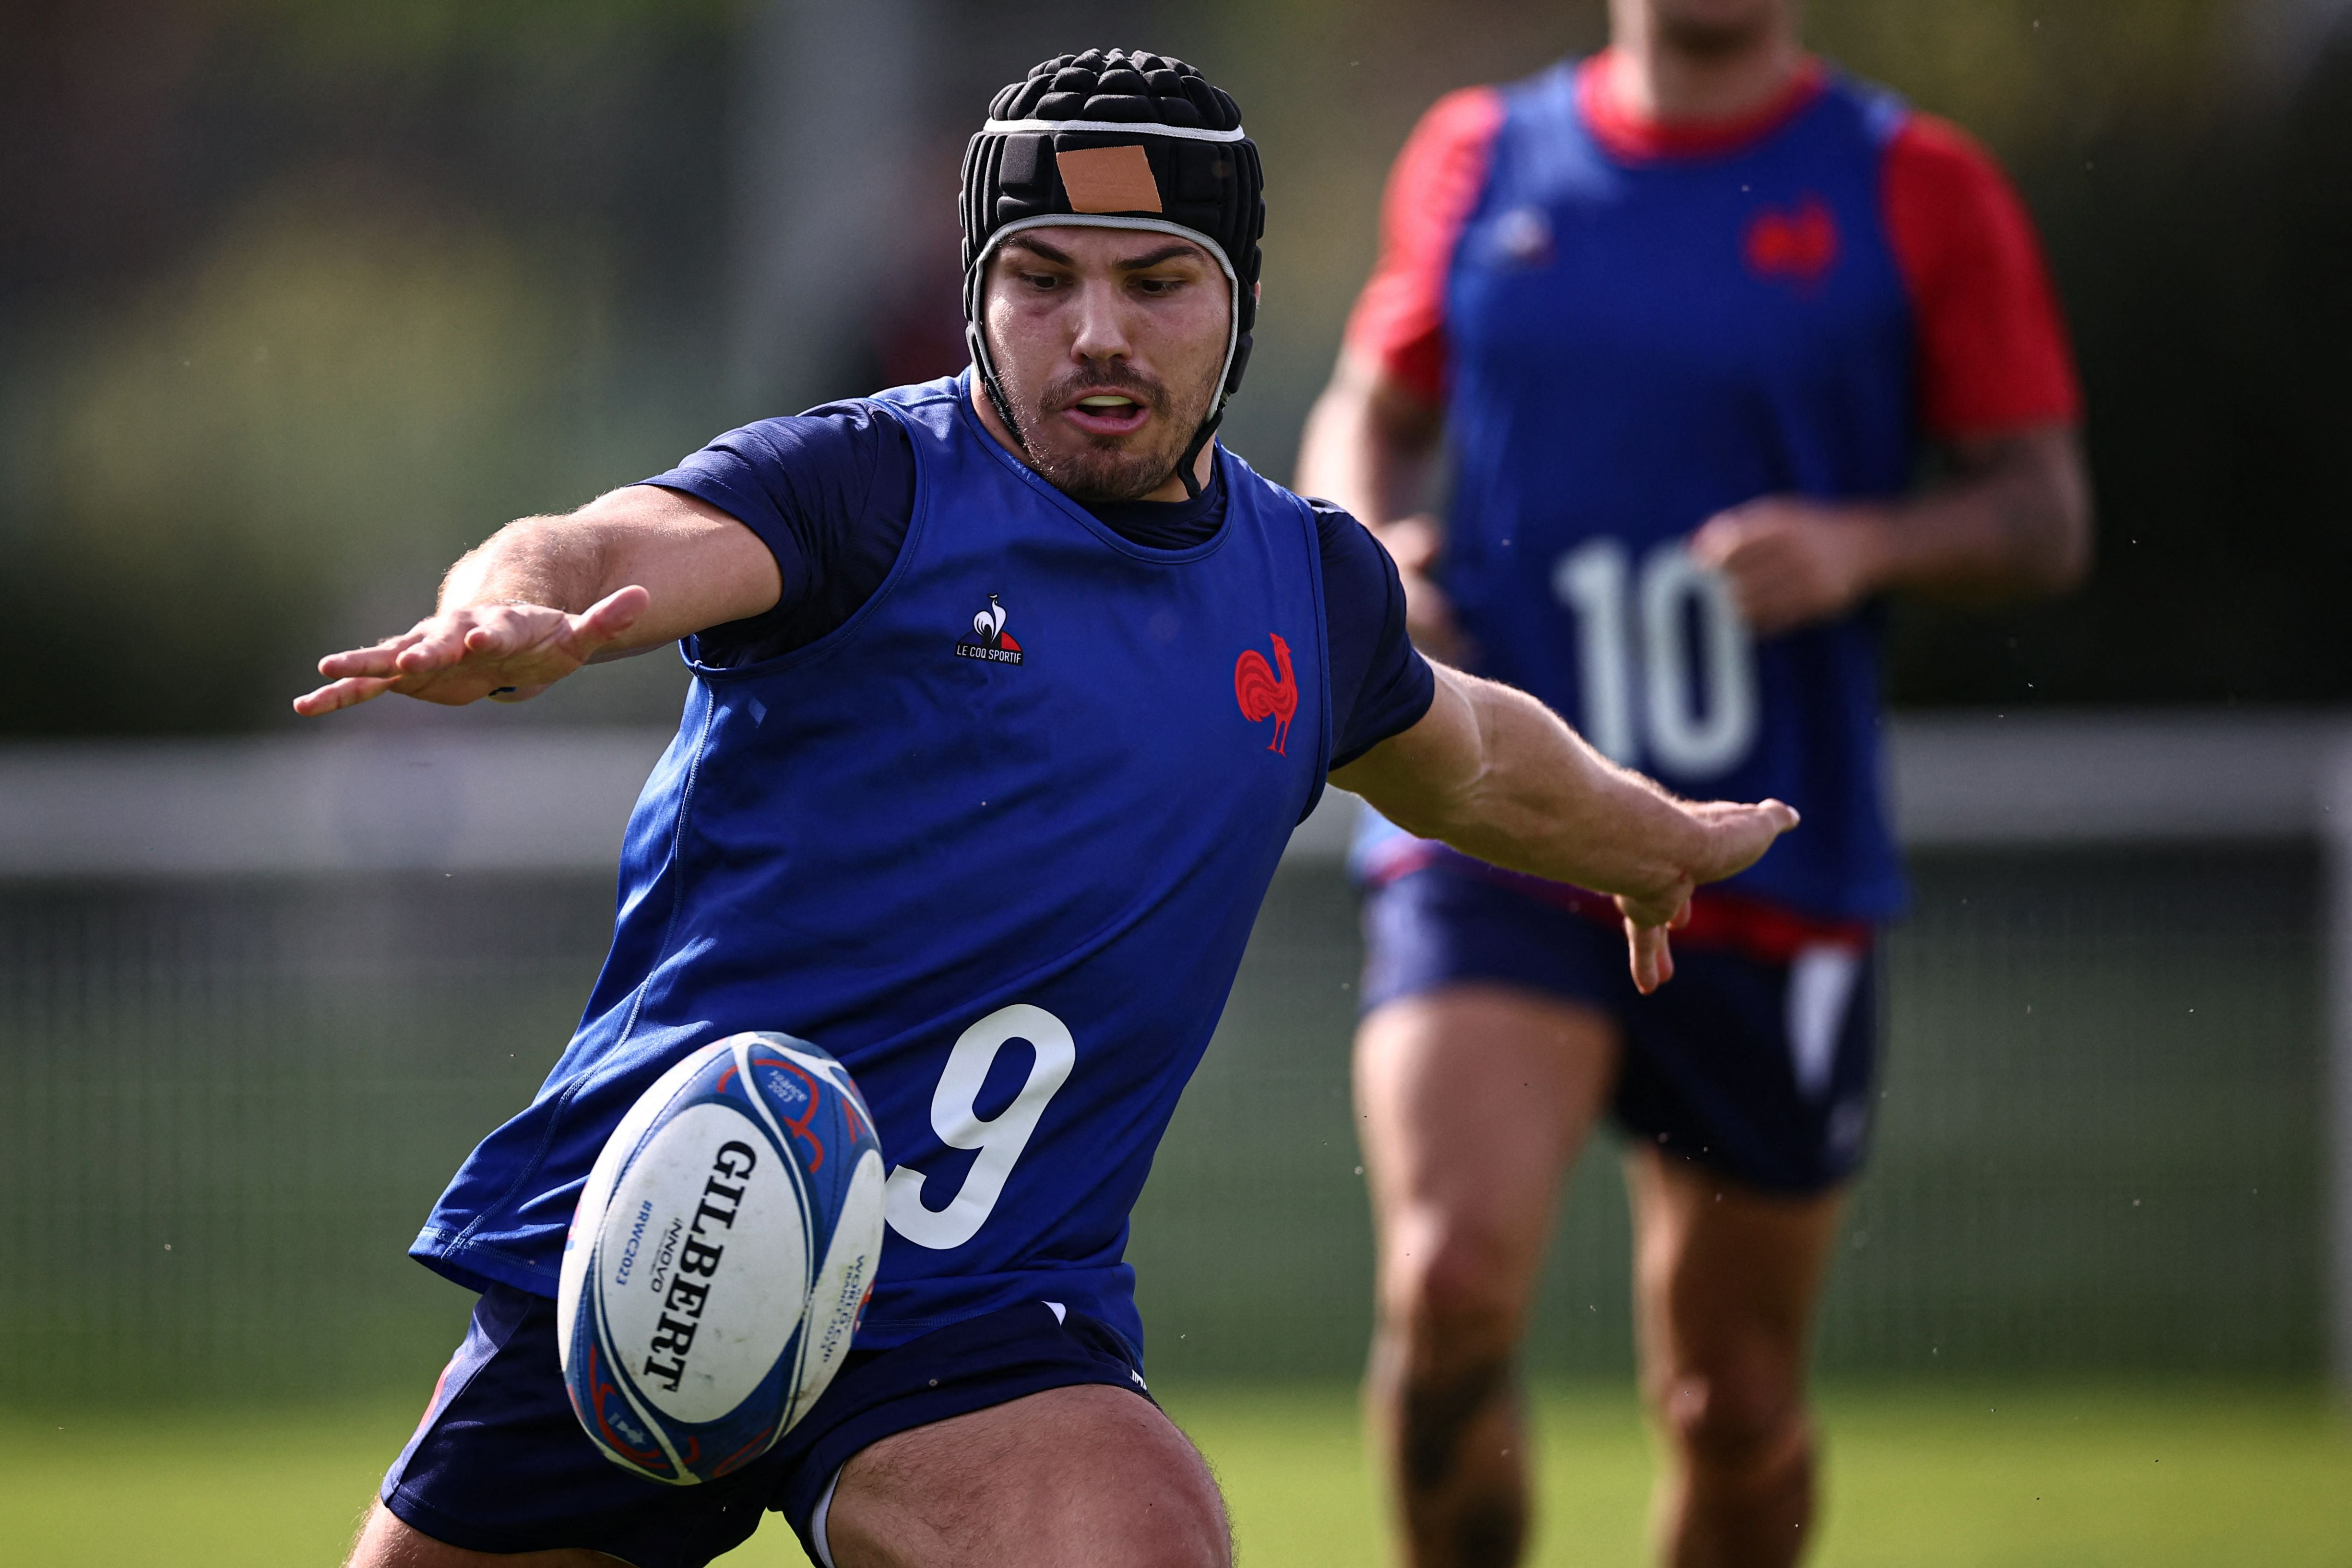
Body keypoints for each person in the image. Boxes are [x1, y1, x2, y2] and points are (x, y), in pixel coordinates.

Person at [297, 48, 1797, 1568]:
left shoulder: (1309, 595)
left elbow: (1469, 754)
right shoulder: (866, 486)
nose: (1096, 333)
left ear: (1240, 305)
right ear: (975, 297)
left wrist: (1655, 842)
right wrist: (508, 613)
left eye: (1158, 281)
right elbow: (603, 542)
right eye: (1041, 279)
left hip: (979, 1317)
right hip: (660, 1261)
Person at [1296, 3, 2092, 1566]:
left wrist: (1867, 544)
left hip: (1769, 861)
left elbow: (2046, 511)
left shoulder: (1913, 182)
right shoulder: (1482, 154)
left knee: (1731, 1399)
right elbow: (1366, 419)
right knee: (1448, 1290)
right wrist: (1373, 548)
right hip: (1500, 819)